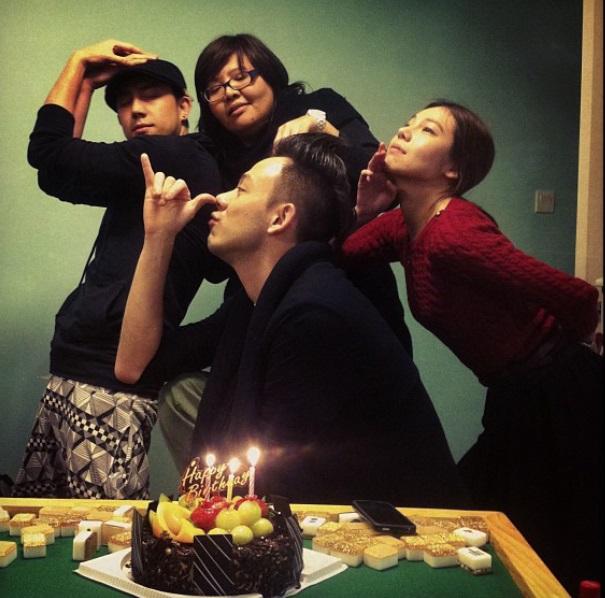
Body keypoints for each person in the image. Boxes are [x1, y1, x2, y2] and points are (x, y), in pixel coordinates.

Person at [115, 133, 468, 507]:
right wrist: (158, 236)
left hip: (413, 532)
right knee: (180, 392)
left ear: (280, 218)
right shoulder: (255, 304)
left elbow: (282, 491)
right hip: (336, 520)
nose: (220, 198)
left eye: (241, 189)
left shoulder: (314, 315)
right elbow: (133, 366)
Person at [342, 99, 602, 591]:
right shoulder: (405, 225)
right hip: (514, 394)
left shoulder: (453, 233)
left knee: (542, 538)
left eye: (427, 129)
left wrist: (571, 360)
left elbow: (578, 296)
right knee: (489, 520)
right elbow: (346, 253)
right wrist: (368, 209)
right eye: (408, 123)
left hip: (558, 394)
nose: (404, 131)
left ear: (453, 170)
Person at [13, 39, 225, 500]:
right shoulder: (151, 172)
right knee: (52, 527)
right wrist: (86, 88)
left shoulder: (176, 156)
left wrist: (78, 64)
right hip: (80, 371)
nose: (135, 110)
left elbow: (48, 153)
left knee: (99, 533)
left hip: (107, 385)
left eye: (149, 96)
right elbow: (56, 174)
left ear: (184, 107)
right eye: (123, 103)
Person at [193, 33, 411, 353]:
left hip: (351, 276)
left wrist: (321, 129)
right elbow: (214, 265)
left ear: (269, 74)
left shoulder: (318, 107)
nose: (230, 92)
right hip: (261, 298)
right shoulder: (211, 156)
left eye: (240, 76)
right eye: (214, 89)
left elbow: (382, 180)